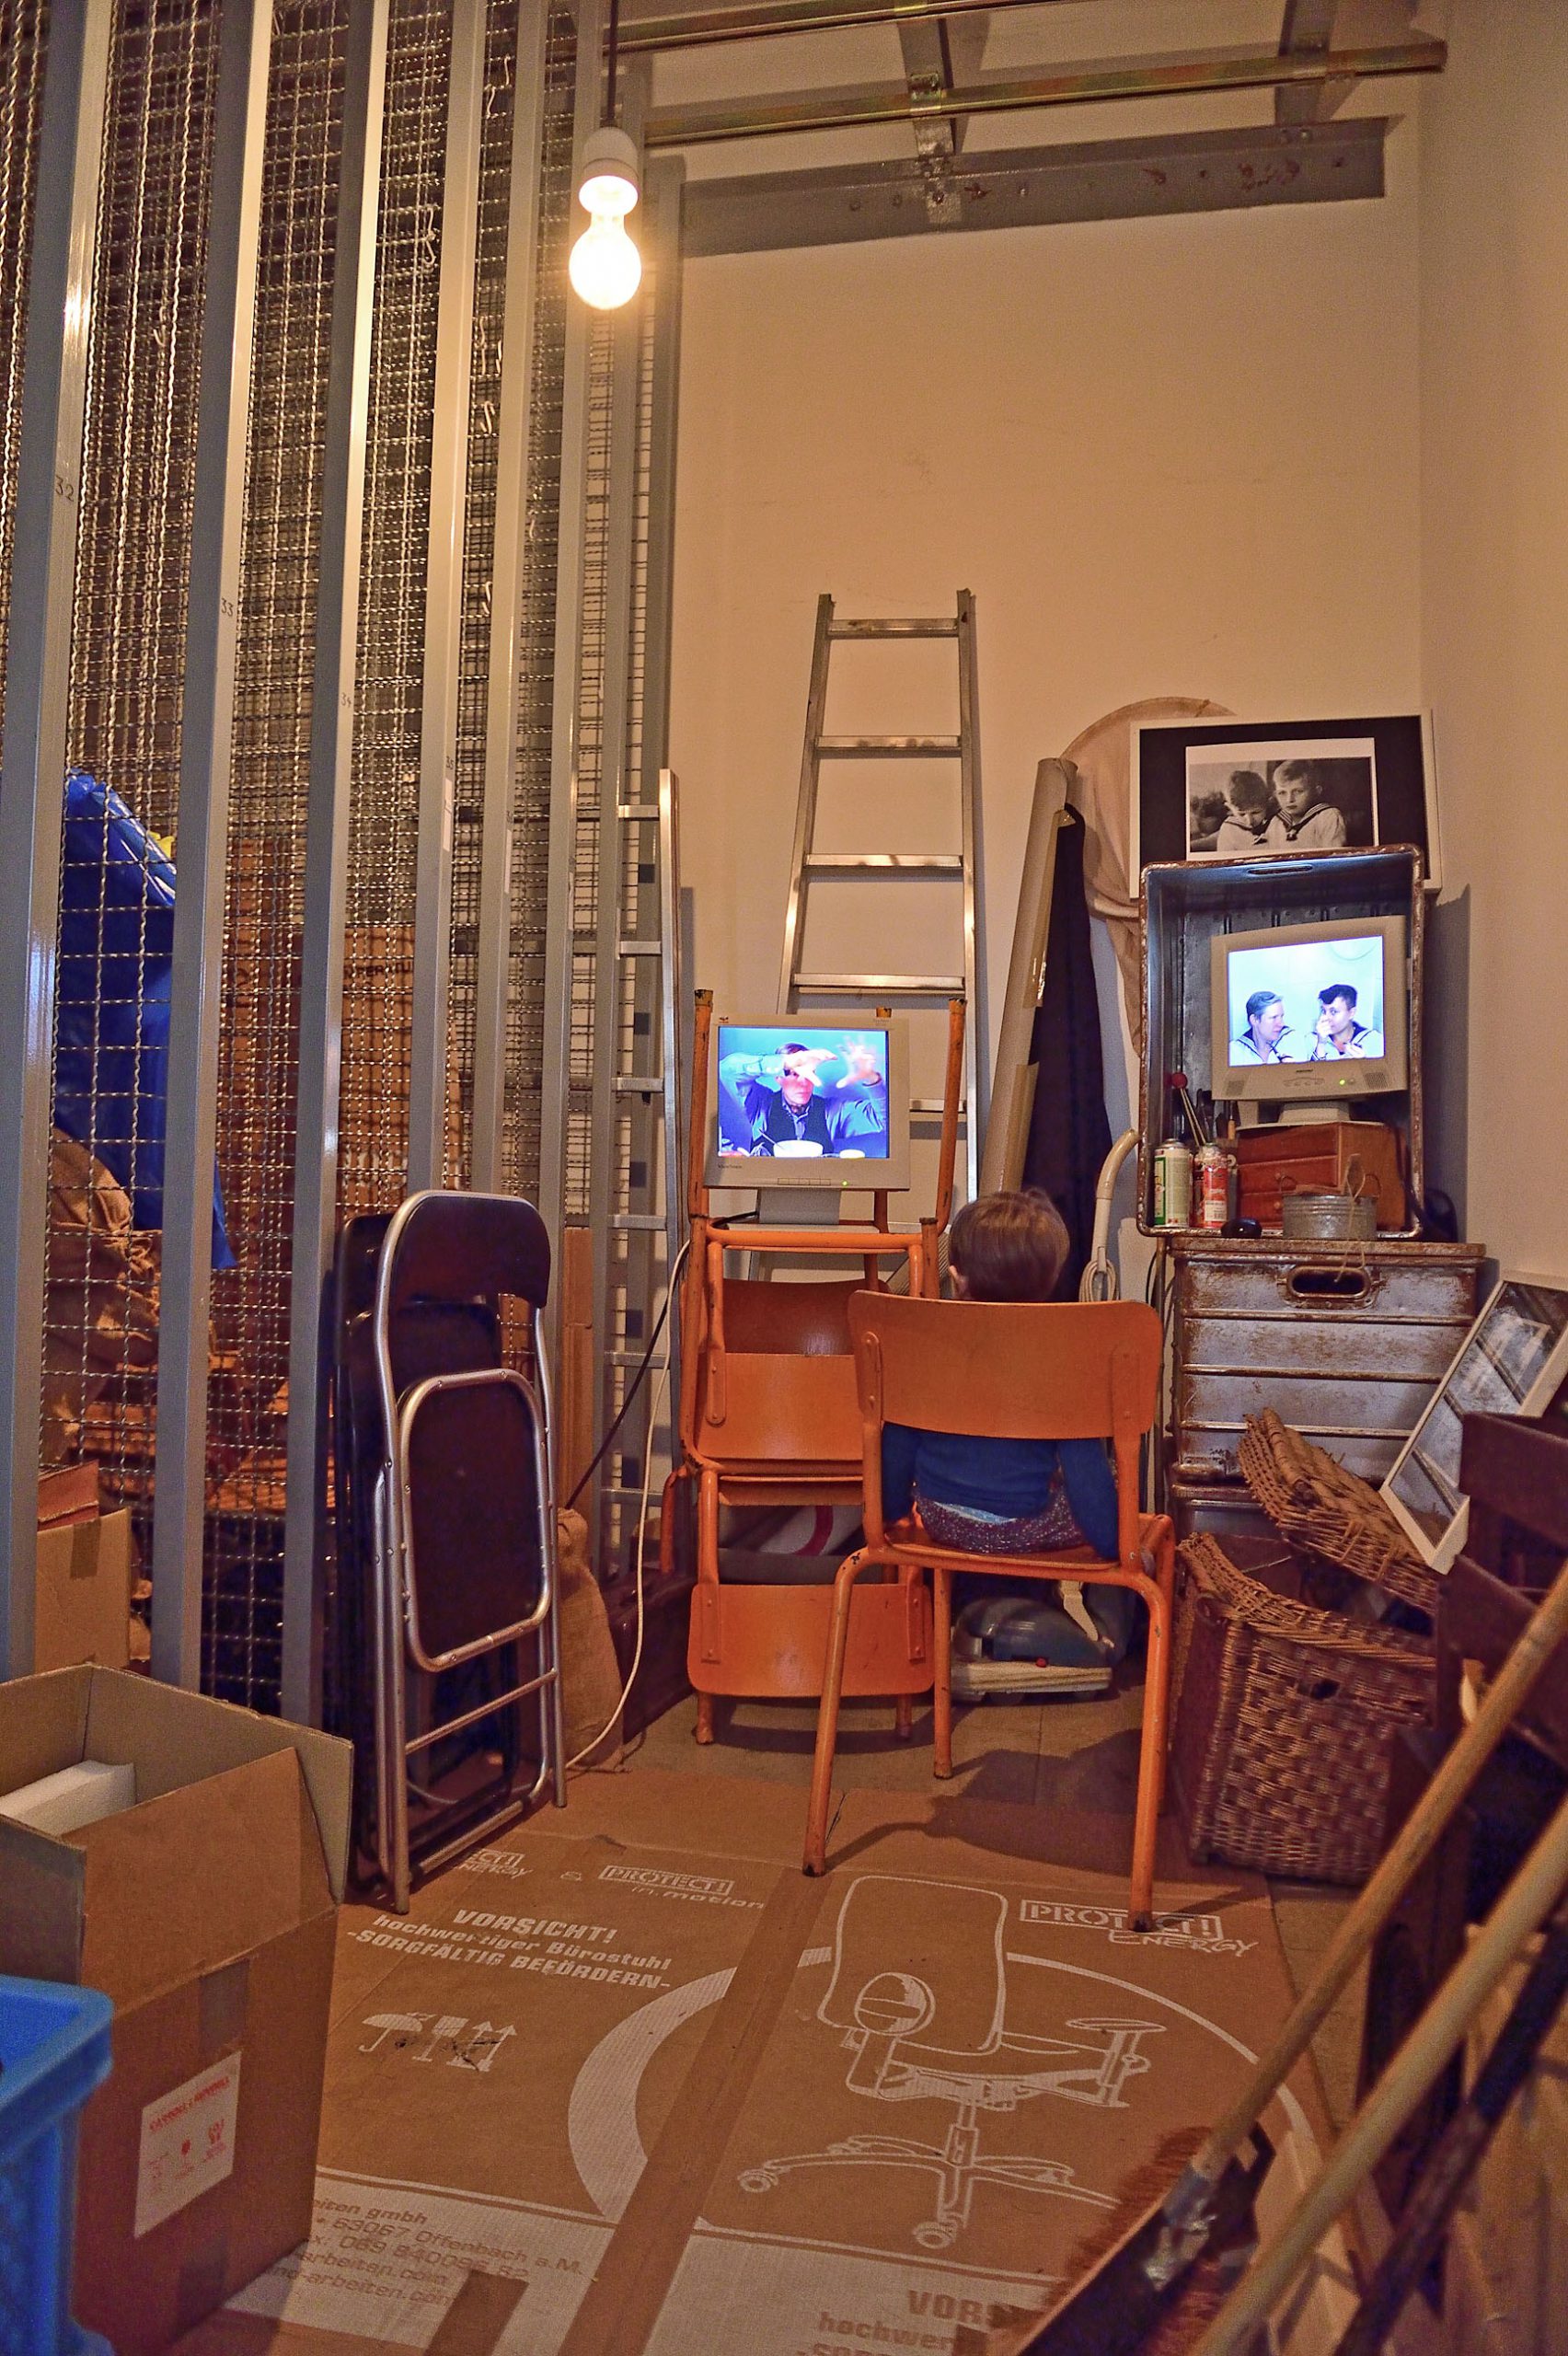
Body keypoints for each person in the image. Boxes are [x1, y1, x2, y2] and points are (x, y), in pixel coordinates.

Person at [880, 1190, 1119, 1560]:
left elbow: (897, 1448)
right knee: (1107, 1485)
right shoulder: (1060, 1359)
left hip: (942, 1522)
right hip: (1023, 1527)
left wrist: (892, 1509)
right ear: (1050, 1281)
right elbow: (1084, 1471)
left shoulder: (926, 1351)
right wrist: (1119, 1548)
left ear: (956, 1278)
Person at [718, 1034, 887, 1157]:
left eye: (809, 1073)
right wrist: (785, 1062)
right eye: (794, 1074)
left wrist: (871, 1078)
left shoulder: (832, 1112)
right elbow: (727, 1070)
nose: (804, 1082)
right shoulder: (761, 1104)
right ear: (778, 1078)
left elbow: (884, 1120)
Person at [1262, 760, 1347, 850]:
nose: (1289, 800)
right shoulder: (1276, 821)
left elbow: (1333, 855)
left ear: (1316, 791)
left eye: (1298, 791)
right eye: (1282, 793)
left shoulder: (1328, 817)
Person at [1310, 983, 1384, 1060]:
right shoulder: (1313, 1040)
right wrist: (1321, 1045)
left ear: (1351, 1013)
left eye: (1333, 1012)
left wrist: (1364, 1064)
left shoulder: (1374, 1040)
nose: (1325, 1017)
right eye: (1323, 1011)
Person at [1213, 769, 1274, 858]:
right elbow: (1224, 859)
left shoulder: (1276, 822)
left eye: (1255, 812)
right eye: (1241, 814)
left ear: (1268, 803)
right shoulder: (1229, 829)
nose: (1250, 821)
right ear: (1229, 807)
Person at [1232, 987, 1296, 1064]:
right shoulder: (1233, 1052)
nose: (1281, 1024)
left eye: (1281, 1016)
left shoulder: (1294, 1041)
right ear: (1254, 1020)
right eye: (1273, 1018)